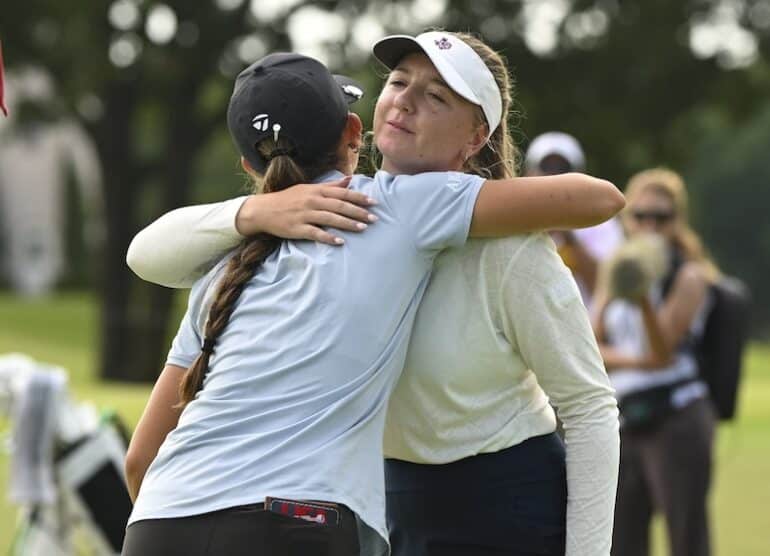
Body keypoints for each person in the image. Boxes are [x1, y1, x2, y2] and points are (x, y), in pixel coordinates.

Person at [125, 33, 623, 556]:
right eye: (399, 82)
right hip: (382, 501)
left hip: (505, 500)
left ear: (476, 137)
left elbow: (589, 406)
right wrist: (257, 211)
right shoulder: (321, 221)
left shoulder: (510, 251)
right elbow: (148, 253)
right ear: (359, 124)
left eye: (437, 96)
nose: (406, 100)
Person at [592, 168, 718, 556]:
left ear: (676, 222)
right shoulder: (615, 269)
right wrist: (637, 361)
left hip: (676, 416)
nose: (649, 225)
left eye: (660, 217)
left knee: (686, 535)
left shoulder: (690, 276)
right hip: (627, 415)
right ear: (627, 220)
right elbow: (593, 344)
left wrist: (643, 294)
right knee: (622, 538)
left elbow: (661, 349)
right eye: (640, 215)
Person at [525, 131, 624, 309]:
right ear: (530, 173)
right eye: (546, 167)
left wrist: (566, 232)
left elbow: (606, 289)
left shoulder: (603, 224)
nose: (553, 175)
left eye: (562, 168)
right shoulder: (515, 222)